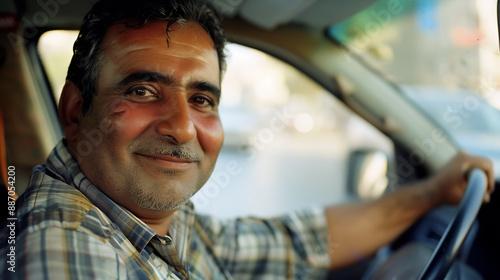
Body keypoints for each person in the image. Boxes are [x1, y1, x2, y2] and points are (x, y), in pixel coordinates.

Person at [0, 0, 495, 279]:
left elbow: (294, 244)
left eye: (202, 99)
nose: (181, 127)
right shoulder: (64, 241)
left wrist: (431, 192)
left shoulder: (148, 219)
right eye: (143, 90)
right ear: (76, 110)